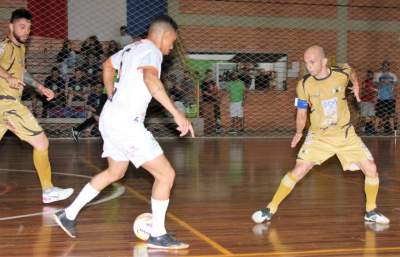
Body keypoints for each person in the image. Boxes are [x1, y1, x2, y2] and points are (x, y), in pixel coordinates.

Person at [54, 15, 194, 250]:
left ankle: (68, 213)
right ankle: (158, 234)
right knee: (166, 175)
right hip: (127, 123)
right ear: (165, 34)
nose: (171, 48)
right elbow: (151, 79)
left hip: (110, 118)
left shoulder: (131, 48)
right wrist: (176, 113)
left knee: (115, 172)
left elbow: (107, 65)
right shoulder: (153, 52)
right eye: (172, 42)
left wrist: (111, 94)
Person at [252, 45, 389, 225]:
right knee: (299, 170)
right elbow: (302, 112)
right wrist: (299, 132)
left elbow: (352, 71)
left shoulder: (341, 73)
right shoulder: (303, 84)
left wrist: (355, 85)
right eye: (306, 62)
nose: (308, 66)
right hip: (319, 136)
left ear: (324, 62)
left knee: (371, 169)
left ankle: (370, 210)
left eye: (312, 62)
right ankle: (270, 208)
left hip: (345, 134)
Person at [0, 9, 73, 203]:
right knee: (41, 143)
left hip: (5, 105)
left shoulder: (20, 49)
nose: (26, 31)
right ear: (11, 26)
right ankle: (48, 191)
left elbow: (21, 72)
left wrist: (40, 87)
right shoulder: (3, 45)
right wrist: (8, 77)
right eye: (22, 27)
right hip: (6, 102)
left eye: (29, 28)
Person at [374, 61, 397, 133]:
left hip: (390, 97)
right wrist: (382, 82)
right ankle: (375, 129)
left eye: (387, 66)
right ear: (382, 66)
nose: (385, 67)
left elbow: (395, 86)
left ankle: (392, 129)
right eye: (384, 66)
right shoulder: (377, 75)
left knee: (391, 114)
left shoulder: (393, 75)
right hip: (381, 97)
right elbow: (375, 85)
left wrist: (394, 94)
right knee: (379, 114)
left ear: (389, 67)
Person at [359, 70, 377, 134]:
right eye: (368, 75)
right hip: (365, 101)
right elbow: (367, 88)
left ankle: (373, 129)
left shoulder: (373, 83)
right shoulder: (365, 82)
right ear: (367, 75)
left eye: (371, 75)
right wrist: (375, 89)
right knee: (363, 116)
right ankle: (362, 130)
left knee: (372, 116)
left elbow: (374, 91)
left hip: (371, 102)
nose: (370, 76)